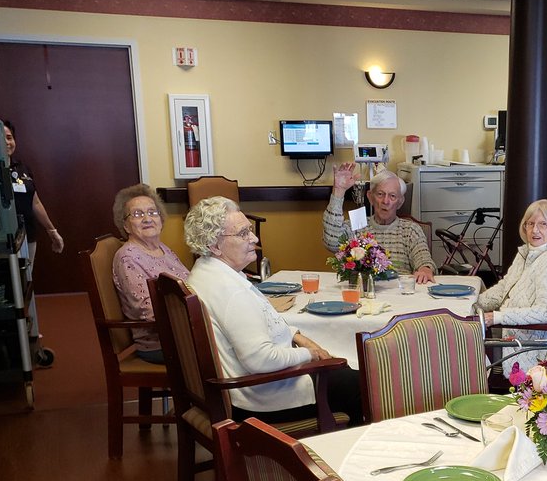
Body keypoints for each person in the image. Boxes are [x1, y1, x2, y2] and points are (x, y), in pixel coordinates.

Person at [184, 196, 363, 425]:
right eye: (242, 234)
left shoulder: (205, 272)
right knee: (363, 384)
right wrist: (310, 355)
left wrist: (297, 336)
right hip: (261, 400)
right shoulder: (231, 291)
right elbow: (261, 360)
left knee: (347, 373)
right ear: (214, 245)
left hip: (240, 392)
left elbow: (261, 324)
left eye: (249, 230)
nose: (254, 238)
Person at [476, 199, 547, 367]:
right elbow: (505, 287)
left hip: (526, 346)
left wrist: (498, 316)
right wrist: (476, 303)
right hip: (511, 332)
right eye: (530, 223)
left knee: (462, 344)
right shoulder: (528, 251)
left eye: (543, 224)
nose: (535, 230)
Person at [110, 184, 190, 364]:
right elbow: (147, 310)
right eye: (137, 214)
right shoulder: (128, 257)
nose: (147, 219)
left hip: (185, 329)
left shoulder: (163, 248)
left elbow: (190, 282)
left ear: (161, 220)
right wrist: (197, 312)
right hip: (161, 343)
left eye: (153, 212)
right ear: (126, 225)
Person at [322, 164, 435, 282]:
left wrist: (425, 270)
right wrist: (338, 191)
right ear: (371, 197)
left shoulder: (411, 230)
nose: (386, 201)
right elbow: (331, 242)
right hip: (362, 290)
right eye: (380, 194)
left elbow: (424, 260)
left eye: (392, 196)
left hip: (400, 293)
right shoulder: (357, 226)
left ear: (400, 202)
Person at [2, 120, 64, 257]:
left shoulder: (22, 168)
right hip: (2, 240)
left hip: (27, 235)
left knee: (26, 276)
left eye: (9, 137)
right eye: (1, 138)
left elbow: (35, 202)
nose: (6, 142)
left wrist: (52, 230)